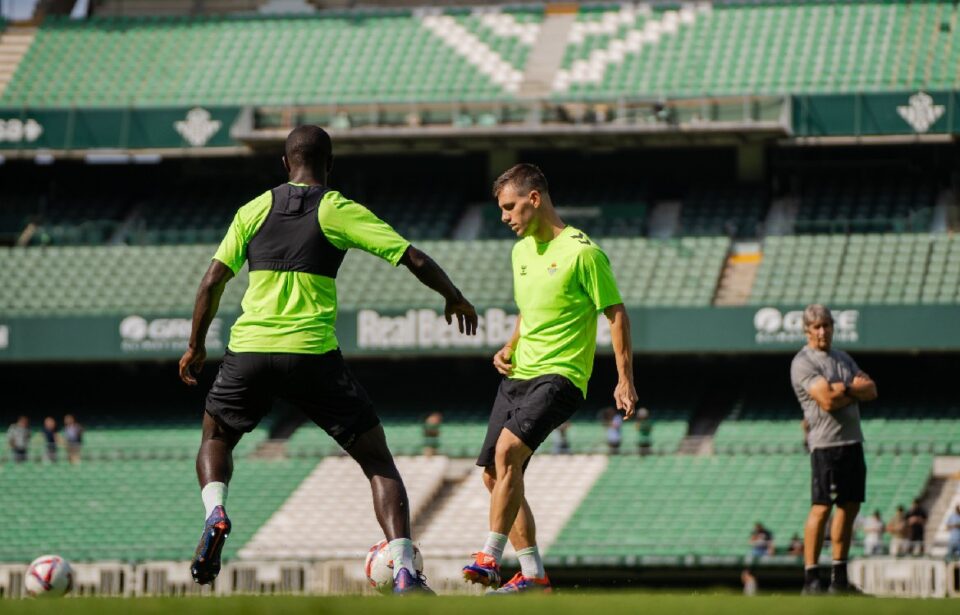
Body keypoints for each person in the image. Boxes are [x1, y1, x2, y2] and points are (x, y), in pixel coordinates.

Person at [178, 125, 478, 594]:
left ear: (284, 164)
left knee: (215, 437)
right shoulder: (336, 208)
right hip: (311, 354)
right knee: (377, 461)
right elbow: (411, 257)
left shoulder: (254, 208)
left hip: (250, 349)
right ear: (329, 164)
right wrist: (454, 296)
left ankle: (215, 511)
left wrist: (195, 345)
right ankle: (403, 569)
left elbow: (212, 280)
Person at [462, 164, 636, 594]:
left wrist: (623, 379)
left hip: (561, 375)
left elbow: (615, 313)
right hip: (519, 372)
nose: (504, 217)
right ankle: (534, 574)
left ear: (534, 199)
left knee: (507, 453)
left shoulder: (583, 252)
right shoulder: (520, 252)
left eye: (509, 207)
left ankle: (488, 556)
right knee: (492, 473)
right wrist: (509, 345)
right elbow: (530, 311)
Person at [790, 304, 877, 594]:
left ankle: (839, 578)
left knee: (849, 507)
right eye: (816, 326)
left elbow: (872, 390)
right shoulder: (803, 362)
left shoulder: (843, 358)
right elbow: (826, 401)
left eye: (826, 325)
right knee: (821, 508)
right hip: (825, 445)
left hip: (853, 441)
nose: (822, 331)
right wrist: (853, 391)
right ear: (806, 330)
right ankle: (811, 577)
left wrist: (845, 390)